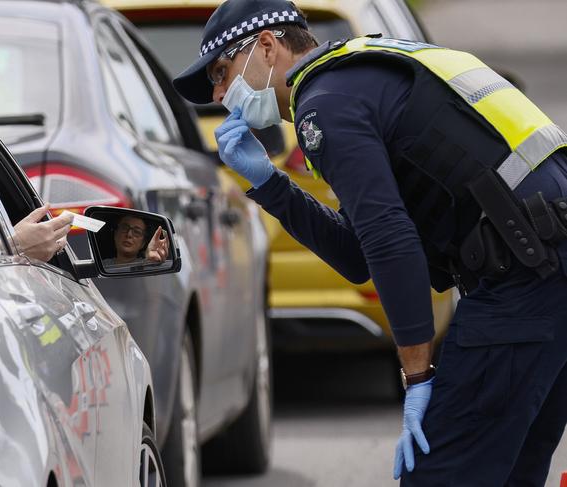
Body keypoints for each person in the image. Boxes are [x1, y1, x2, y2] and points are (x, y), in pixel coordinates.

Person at [171, 0, 567, 485]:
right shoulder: (362, 75)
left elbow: (388, 239)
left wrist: (417, 375)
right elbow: (360, 256)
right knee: (509, 474)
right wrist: (270, 184)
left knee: (441, 475)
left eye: (221, 71)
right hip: (544, 267)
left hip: (524, 276)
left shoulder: (322, 103)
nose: (217, 93)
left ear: (267, 47)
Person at [104, 214, 169, 267]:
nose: (129, 234)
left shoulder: (144, 265)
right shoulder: (103, 264)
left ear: (143, 243)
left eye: (137, 232)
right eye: (124, 228)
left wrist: (150, 262)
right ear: (115, 234)